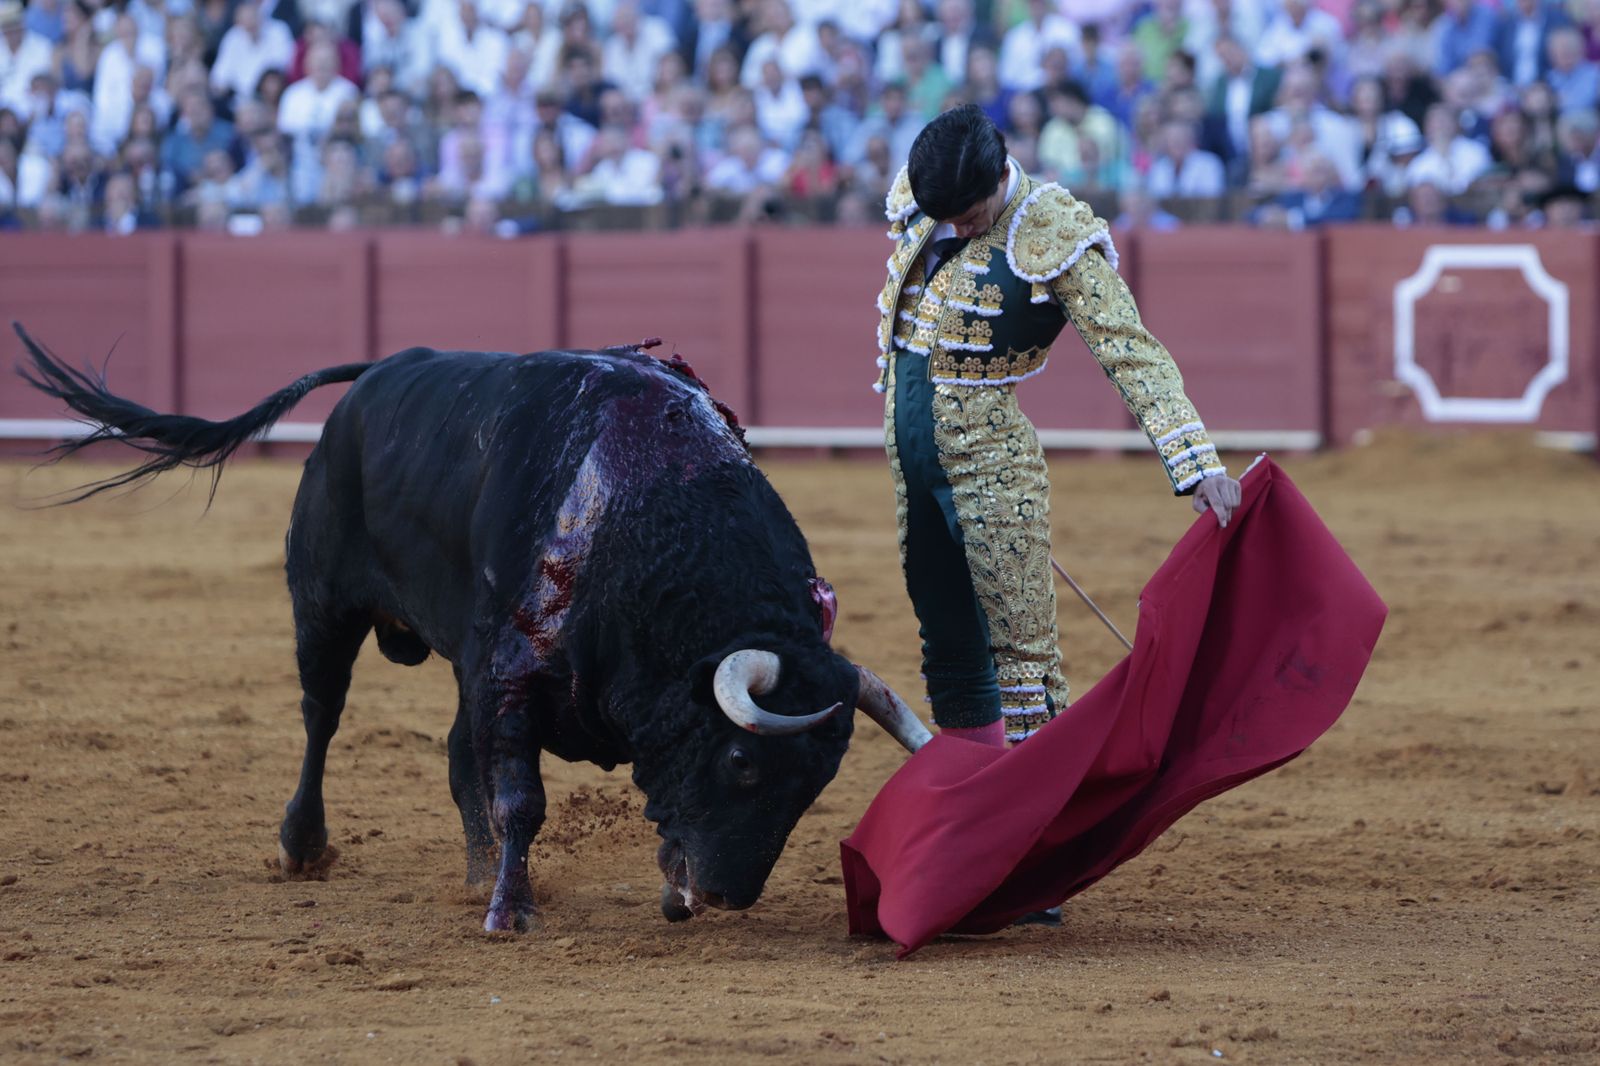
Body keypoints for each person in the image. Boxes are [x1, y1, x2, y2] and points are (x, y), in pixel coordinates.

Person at [872, 103, 1240, 764]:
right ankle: (975, 781)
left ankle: (1033, 802)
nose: (955, 227)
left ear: (997, 178)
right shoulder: (929, 192)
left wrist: (1195, 459)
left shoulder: (1051, 226)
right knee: (947, 634)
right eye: (946, 215)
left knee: (1022, 656)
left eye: (968, 214)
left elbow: (1129, 347)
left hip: (992, 466)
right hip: (912, 460)